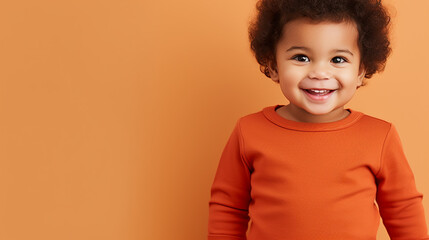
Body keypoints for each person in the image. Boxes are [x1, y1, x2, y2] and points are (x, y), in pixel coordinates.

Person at [207, 0, 429, 239]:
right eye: (301, 58)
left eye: (338, 59)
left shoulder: (380, 136)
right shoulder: (248, 131)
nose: (320, 73)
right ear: (273, 65)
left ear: (361, 71)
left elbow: (403, 211)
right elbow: (228, 209)